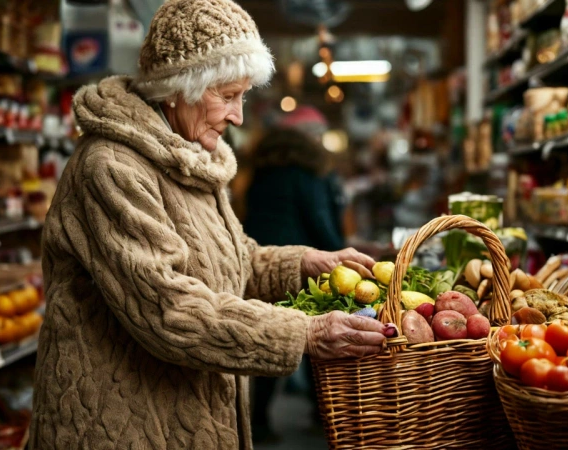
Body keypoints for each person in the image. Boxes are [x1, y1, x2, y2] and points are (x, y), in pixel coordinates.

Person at [28, 1, 389, 449]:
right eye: (227, 96)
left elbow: (233, 260)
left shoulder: (191, 156)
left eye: (242, 97)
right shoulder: (111, 168)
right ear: (180, 87)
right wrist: (305, 331)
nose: (238, 116)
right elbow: (169, 307)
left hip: (189, 413)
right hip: (122, 425)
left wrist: (306, 262)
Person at [244, 110, 346, 443]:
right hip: (296, 262)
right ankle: (323, 414)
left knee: (270, 338)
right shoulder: (307, 172)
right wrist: (342, 255)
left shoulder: (263, 170)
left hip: (260, 259)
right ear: (308, 139)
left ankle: (257, 420)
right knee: (316, 336)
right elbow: (319, 220)